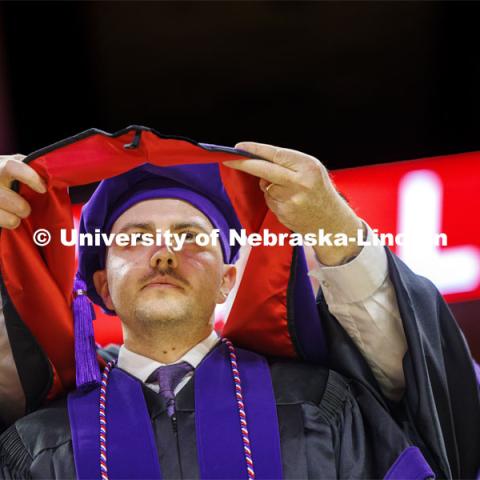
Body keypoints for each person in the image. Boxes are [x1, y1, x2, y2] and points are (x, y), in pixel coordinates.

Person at [0, 134, 478, 478]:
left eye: (191, 237)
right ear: (101, 287)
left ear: (228, 281)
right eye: (136, 238)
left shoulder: (322, 404)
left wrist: (337, 228)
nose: (164, 253)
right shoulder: (36, 441)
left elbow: (433, 405)